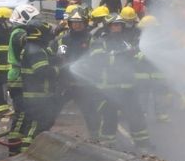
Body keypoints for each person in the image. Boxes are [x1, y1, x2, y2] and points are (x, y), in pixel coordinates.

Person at [86, 14, 150, 150]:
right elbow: (98, 60)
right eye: (115, 25)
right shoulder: (100, 42)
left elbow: (136, 57)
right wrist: (121, 57)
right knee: (109, 118)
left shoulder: (126, 42)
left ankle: (143, 144)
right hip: (108, 89)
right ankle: (107, 146)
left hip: (128, 88)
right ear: (108, 27)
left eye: (120, 25)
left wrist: (141, 57)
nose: (118, 28)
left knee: (136, 116)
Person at [52, 8, 99, 138]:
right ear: (70, 23)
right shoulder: (61, 40)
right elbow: (51, 56)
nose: (77, 25)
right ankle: (41, 136)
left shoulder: (91, 40)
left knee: (90, 113)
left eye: (80, 23)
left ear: (85, 23)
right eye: (74, 22)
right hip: (64, 84)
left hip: (83, 85)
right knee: (51, 110)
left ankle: (96, 139)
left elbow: (97, 59)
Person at [6, 3, 42, 153]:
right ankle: (14, 146)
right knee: (21, 112)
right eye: (34, 19)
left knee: (25, 111)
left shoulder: (19, 31)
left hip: (20, 75)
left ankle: (19, 145)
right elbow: (28, 45)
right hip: (18, 77)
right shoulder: (19, 33)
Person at [19, 19, 58, 147]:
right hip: (37, 95)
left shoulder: (33, 48)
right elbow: (42, 72)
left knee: (43, 123)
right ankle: (27, 151)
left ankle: (34, 149)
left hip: (36, 93)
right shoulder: (35, 50)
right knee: (36, 125)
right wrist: (59, 70)